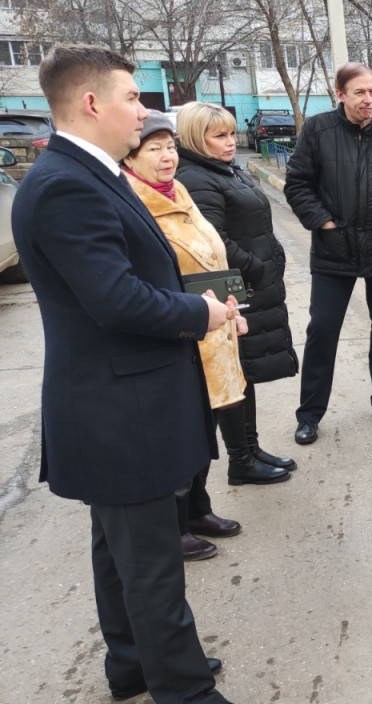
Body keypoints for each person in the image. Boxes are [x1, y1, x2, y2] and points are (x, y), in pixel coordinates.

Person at [12, 45, 233, 703]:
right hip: (117, 412)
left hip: (124, 403)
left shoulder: (91, 175)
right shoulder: (66, 187)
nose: (143, 109)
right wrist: (204, 310)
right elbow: (117, 300)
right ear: (91, 103)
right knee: (150, 565)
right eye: (133, 97)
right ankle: (184, 690)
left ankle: (134, 665)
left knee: (121, 556)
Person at [124, 111, 291, 562]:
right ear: (130, 156)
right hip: (179, 327)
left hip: (212, 319)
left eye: (169, 147)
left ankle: (198, 509)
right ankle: (174, 527)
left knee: (201, 425)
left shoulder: (176, 190)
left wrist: (228, 303)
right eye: (154, 149)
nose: (165, 157)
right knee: (180, 429)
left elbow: (209, 252)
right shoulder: (136, 202)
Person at [284, 62, 372, 445]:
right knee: (322, 330)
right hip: (335, 250)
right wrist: (324, 223)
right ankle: (310, 414)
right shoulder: (318, 131)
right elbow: (297, 184)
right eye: (360, 92)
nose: (369, 100)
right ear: (340, 94)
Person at [176, 101, 300, 476]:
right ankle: (240, 461)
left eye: (232, 134)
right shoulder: (197, 178)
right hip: (236, 291)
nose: (230, 142)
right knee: (234, 376)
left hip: (251, 289)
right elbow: (214, 240)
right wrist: (257, 267)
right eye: (219, 136)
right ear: (197, 139)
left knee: (244, 374)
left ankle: (251, 449)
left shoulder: (224, 170)